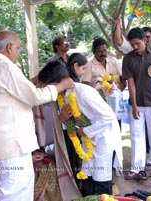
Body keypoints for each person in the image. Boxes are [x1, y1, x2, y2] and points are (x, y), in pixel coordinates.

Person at [0, 30, 74, 201]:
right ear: (9, 47)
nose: (18, 52)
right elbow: (35, 96)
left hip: (6, 143)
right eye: (18, 48)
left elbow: (18, 93)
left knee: (18, 188)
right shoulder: (5, 67)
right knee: (16, 192)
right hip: (12, 145)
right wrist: (60, 86)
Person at [38, 60, 122, 196]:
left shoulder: (83, 92)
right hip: (87, 137)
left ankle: (106, 198)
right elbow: (70, 124)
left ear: (58, 82)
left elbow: (109, 117)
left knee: (101, 175)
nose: (48, 90)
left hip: (103, 136)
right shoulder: (63, 96)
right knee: (87, 173)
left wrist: (86, 131)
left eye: (49, 86)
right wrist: (63, 120)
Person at [122, 27, 151, 180]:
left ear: (145, 40)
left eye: (137, 44)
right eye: (132, 44)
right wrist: (133, 106)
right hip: (137, 103)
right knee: (136, 135)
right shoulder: (128, 59)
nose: (134, 47)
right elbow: (130, 83)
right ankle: (136, 167)